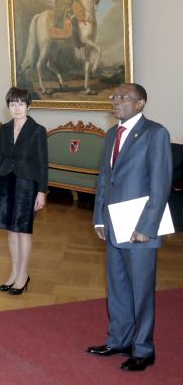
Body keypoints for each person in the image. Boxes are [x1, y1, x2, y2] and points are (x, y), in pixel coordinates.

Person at [87, 83, 172, 372]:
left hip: (139, 227)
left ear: (140, 104)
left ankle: (144, 349)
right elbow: (104, 179)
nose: (116, 101)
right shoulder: (112, 133)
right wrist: (99, 217)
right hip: (113, 223)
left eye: (124, 97)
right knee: (117, 286)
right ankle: (119, 339)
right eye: (115, 96)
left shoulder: (155, 133)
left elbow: (160, 184)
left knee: (141, 291)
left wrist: (147, 227)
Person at [0, 87, 48, 295]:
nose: (17, 108)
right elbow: (1, 158)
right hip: (6, 181)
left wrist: (42, 191)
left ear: (28, 106)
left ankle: (23, 275)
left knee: (23, 229)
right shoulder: (4, 129)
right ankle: (14, 272)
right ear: (8, 106)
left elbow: (43, 163)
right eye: (13, 104)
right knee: (11, 229)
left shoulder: (37, 130)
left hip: (27, 183)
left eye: (21, 103)